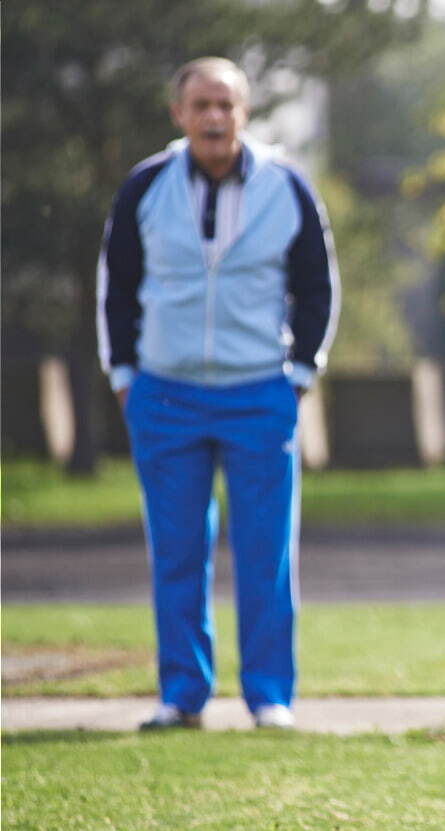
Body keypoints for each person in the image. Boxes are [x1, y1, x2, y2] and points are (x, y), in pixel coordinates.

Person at [97, 57, 339, 731]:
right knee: (177, 551)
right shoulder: (145, 186)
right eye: (201, 104)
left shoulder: (284, 186)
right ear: (178, 113)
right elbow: (114, 287)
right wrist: (124, 374)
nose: (214, 117)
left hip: (259, 392)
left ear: (245, 112)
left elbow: (318, 288)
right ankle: (182, 694)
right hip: (165, 394)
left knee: (265, 553)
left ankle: (269, 696)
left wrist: (299, 374)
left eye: (226, 105)